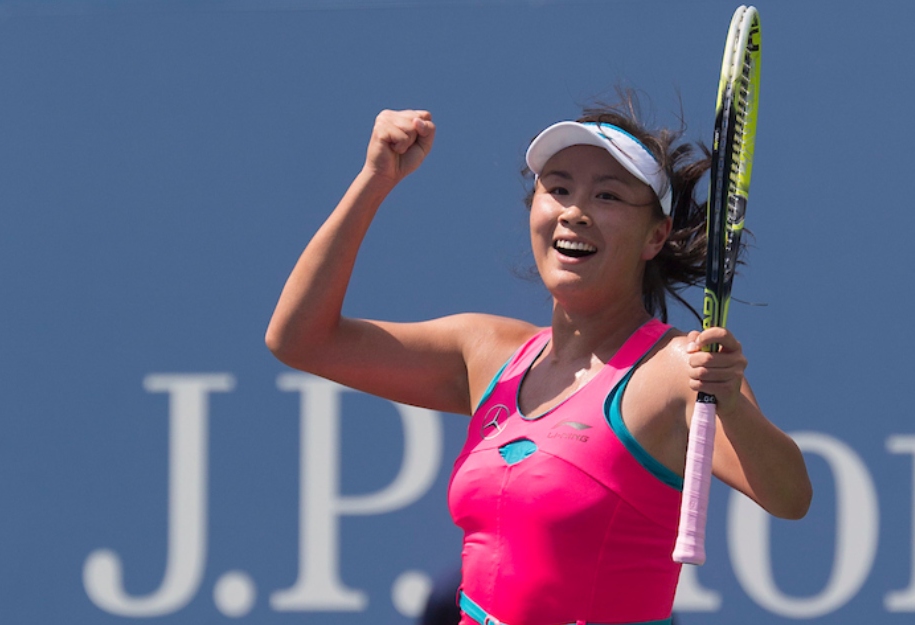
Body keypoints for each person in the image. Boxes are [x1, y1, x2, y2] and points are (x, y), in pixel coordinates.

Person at [267, 99, 812, 625]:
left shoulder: (678, 370)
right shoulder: (484, 351)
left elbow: (790, 499)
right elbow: (300, 340)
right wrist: (375, 179)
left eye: (608, 196)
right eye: (557, 189)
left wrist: (732, 406)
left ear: (656, 236)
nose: (574, 211)